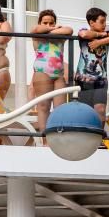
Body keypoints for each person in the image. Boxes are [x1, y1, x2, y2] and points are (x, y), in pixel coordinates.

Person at [74, 7, 109, 122]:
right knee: (86, 112)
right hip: (84, 79)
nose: (105, 24)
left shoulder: (108, 34)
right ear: (91, 22)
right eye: (102, 22)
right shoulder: (85, 30)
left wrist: (99, 42)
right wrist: (100, 35)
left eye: (105, 21)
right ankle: (87, 139)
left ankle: (99, 139)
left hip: (101, 79)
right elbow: (84, 34)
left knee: (100, 110)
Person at [31, 9, 73, 137]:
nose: (48, 25)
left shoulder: (60, 36)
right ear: (40, 22)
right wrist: (53, 30)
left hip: (58, 74)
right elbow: (36, 30)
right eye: (45, 23)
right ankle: (45, 140)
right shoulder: (37, 34)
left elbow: (69, 30)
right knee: (43, 107)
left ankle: (57, 138)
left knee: (60, 109)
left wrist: (50, 30)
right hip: (42, 72)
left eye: (52, 23)